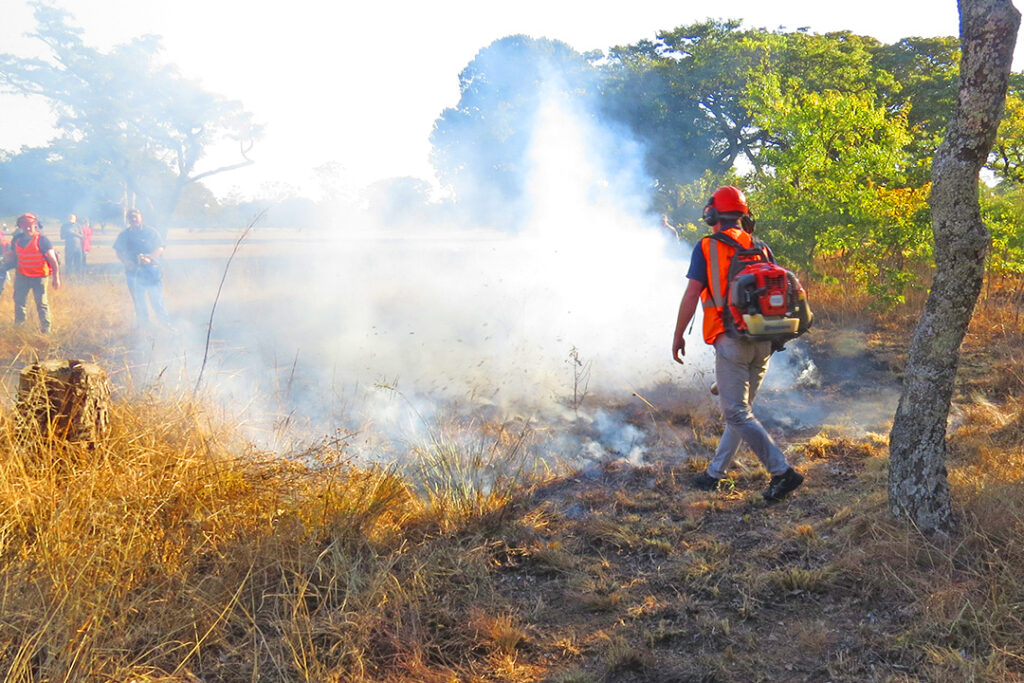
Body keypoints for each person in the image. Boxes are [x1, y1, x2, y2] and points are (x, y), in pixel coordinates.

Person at [671, 186, 804, 502]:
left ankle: (782, 472)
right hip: (764, 341)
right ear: (745, 216)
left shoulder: (707, 246)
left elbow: (692, 294)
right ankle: (714, 474)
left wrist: (678, 335)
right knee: (741, 413)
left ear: (712, 214)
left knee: (736, 414)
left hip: (732, 341)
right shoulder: (760, 246)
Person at [113, 208, 171, 328]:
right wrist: (126, 262)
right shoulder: (124, 235)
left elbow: (160, 247)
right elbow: (118, 251)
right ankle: (145, 329)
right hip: (133, 273)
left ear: (141, 217)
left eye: (136, 217)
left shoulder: (151, 232)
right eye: (131, 217)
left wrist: (150, 258)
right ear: (128, 220)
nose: (133, 219)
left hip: (151, 271)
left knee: (157, 301)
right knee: (139, 303)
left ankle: (166, 326)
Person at [5, 213, 61, 333]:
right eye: (25, 225)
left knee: (42, 304)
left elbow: (53, 261)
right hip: (22, 276)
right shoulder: (17, 240)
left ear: (35, 225)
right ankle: (19, 329)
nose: (28, 228)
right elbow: (14, 256)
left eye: (30, 225)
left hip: (39, 277)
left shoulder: (42, 240)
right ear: (20, 226)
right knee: (19, 302)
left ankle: (46, 331)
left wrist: (56, 278)